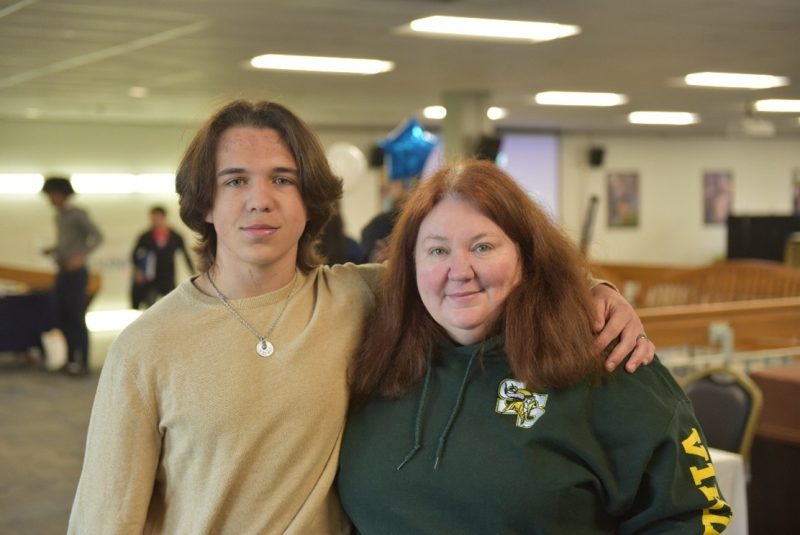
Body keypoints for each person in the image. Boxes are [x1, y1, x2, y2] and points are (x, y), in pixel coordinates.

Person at [69, 100, 653, 533]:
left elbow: (471, 270)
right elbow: (103, 520)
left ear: (309, 202)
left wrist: (595, 290)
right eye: (235, 180)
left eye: (282, 179)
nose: (259, 199)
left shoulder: (362, 298)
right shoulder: (146, 348)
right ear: (205, 203)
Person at [338, 160, 732, 534]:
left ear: (528, 256)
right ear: (410, 265)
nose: (459, 271)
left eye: (482, 247)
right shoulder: (375, 358)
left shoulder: (605, 356)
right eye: (437, 251)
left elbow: (691, 517)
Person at [41, 176, 103, 376]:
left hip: (77, 273)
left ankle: (82, 362)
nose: (50, 199)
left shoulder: (77, 214)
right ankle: (69, 360)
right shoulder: (58, 217)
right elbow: (67, 243)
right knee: (62, 316)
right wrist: (55, 250)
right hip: (62, 272)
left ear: (60, 194)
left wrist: (80, 256)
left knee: (77, 317)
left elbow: (97, 237)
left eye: (51, 195)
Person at [130, 205, 195, 309]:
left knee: (171, 306)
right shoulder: (145, 237)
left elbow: (185, 256)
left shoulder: (175, 236)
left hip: (168, 278)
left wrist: (193, 274)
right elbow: (134, 255)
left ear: (164, 218)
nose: (155, 221)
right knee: (150, 307)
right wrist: (138, 270)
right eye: (152, 218)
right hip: (151, 278)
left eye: (157, 218)